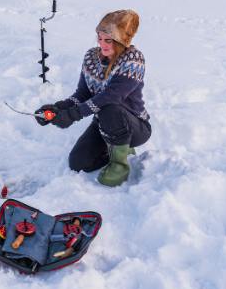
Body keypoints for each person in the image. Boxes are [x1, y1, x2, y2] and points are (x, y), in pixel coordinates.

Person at [35, 10, 151, 187]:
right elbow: (82, 94)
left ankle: (120, 163)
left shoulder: (133, 60)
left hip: (134, 125)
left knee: (109, 106)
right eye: (100, 38)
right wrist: (58, 109)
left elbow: (111, 96)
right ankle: (113, 147)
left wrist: (74, 115)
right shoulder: (91, 57)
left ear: (121, 40)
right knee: (78, 163)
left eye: (108, 40)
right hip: (104, 121)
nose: (102, 44)